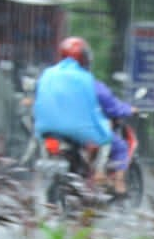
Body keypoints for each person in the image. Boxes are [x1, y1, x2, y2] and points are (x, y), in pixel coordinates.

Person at [32, 35, 112, 183]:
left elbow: (39, 101)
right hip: (75, 131)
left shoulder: (48, 73)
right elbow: (92, 110)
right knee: (106, 137)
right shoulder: (85, 78)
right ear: (84, 58)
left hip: (46, 129)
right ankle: (98, 174)